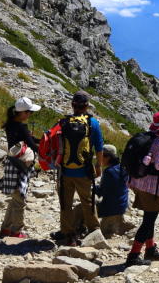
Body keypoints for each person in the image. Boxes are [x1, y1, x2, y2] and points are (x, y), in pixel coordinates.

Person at [126, 110, 159, 266]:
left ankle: (151, 248)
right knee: (148, 221)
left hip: (138, 183)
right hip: (153, 189)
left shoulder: (148, 137)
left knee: (149, 218)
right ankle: (134, 255)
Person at [57, 90, 104, 246]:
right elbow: (99, 147)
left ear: (72, 105)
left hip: (64, 171)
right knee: (88, 201)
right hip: (84, 170)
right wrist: (99, 165)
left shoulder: (63, 122)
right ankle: (94, 231)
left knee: (66, 203)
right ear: (87, 106)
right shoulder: (92, 123)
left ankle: (68, 235)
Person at [0, 96, 42, 238]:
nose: (30, 115)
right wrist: (46, 148)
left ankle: (6, 228)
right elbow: (32, 145)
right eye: (29, 112)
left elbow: (28, 139)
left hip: (11, 162)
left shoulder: (10, 125)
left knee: (15, 198)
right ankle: (16, 231)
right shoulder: (21, 127)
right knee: (20, 199)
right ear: (23, 113)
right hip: (21, 165)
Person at [96, 144, 131, 238]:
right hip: (122, 205)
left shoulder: (109, 172)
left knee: (85, 206)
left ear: (107, 157)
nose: (99, 159)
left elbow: (100, 193)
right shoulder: (123, 167)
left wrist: (90, 186)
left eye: (101, 156)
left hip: (111, 208)